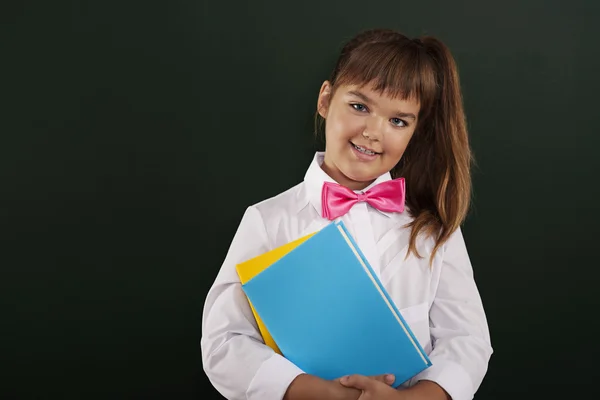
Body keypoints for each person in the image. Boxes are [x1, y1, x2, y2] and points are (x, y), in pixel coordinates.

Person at [201, 28, 493, 400]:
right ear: (325, 99)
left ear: (415, 132)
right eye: (360, 107)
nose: (373, 132)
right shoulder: (267, 221)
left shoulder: (434, 229)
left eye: (398, 121)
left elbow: (467, 340)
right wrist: (319, 393)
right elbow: (224, 341)